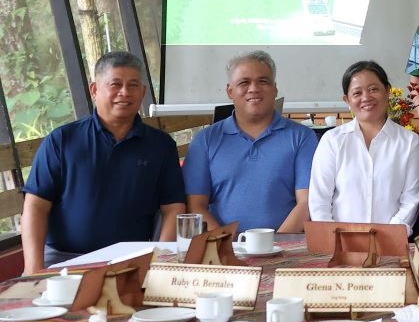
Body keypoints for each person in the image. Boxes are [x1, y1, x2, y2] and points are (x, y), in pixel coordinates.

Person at [21, 52, 185, 273]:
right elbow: (35, 206)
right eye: (115, 84)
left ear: (143, 92)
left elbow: (173, 207)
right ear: (94, 90)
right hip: (64, 259)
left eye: (133, 85)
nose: (124, 93)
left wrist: (161, 262)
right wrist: (33, 269)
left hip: (131, 260)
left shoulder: (161, 145)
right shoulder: (62, 141)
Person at [185, 52, 318, 233]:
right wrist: (226, 245)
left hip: (286, 250)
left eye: (263, 81)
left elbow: (307, 202)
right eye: (244, 83)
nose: (254, 88)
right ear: (230, 91)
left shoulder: (302, 137)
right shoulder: (205, 140)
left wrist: (275, 246)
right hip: (224, 251)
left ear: (275, 89)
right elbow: (195, 206)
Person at [309, 61, 419, 229]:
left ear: (388, 91)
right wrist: (333, 239)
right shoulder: (332, 140)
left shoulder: (409, 142)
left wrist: (389, 237)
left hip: (391, 245)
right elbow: (319, 200)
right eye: (357, 93)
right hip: (339, 245)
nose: (366, 97)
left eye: (373, 89)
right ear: (347, 100)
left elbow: (411, 199)